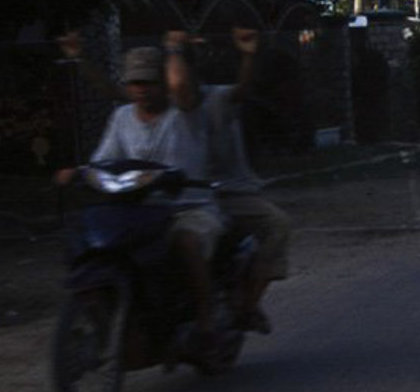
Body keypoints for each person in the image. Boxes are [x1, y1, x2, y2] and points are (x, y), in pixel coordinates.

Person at [60, 33, 228, 357]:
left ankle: (207, 323)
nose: (141, 89)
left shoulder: (185, 113)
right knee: (92, 240)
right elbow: (103, 160)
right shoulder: (122, 117)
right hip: (138, 210)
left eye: (149, 82)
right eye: (135, 82)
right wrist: (78, 171)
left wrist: (175, 50)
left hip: (188, 207)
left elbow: (182, 88)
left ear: (163, 83)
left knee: (186, 242)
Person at [201, 29, 292, 334]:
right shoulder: (156, 109)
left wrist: (248, 55)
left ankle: (249, 303)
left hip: (227, 190)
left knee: (277, 225)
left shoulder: (214, 98)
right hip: (173, 199)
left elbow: (240, 90)